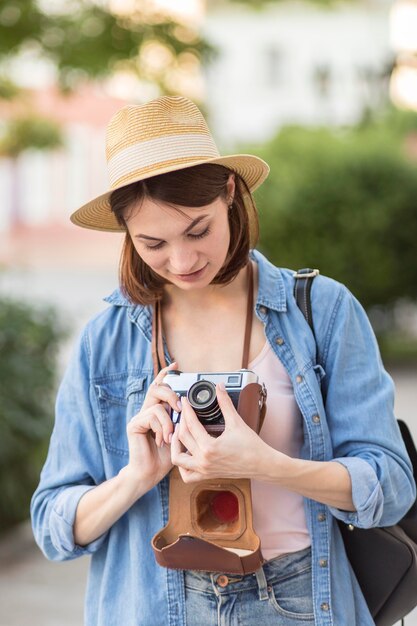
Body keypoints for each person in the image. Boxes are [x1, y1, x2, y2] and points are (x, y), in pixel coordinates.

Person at [31, 96, 415, 626]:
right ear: (126, 233)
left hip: (300, 599)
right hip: (153, 604)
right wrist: (136, 478)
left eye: (198, 230)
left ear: (229, 193)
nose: (183, 261)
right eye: (153, 243)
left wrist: (264, 464)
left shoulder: (321, 311)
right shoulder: (106, 340)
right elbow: (53, 527)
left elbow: (390, 486)